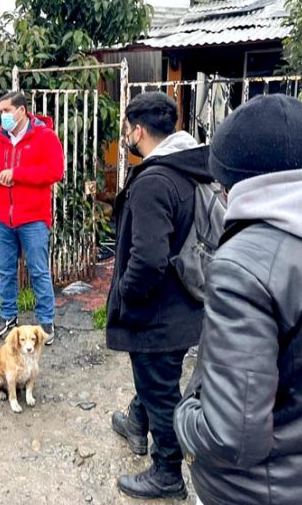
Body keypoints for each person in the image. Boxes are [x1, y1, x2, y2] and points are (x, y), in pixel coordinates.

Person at [174, 95, 302, 505]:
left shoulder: (246, 262)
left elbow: (231, 437)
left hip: (250, 490)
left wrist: (183, 414)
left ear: (234, 182)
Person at [105, 91, 212, 499]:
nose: (127, 137)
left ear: (139, 130)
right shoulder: (184, 166)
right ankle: (136, 422)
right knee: (154, 379)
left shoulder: (155, 180)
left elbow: (147, 259)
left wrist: (128, 295)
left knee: (160, 388)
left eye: (128, 129)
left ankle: (167, 473)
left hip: (159, 310)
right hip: (181, 303)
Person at [0, 91, 64, 345]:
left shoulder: (44, 136)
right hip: (3, 217)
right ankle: (8, 317)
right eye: (1, 111)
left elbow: (55, 170)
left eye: (7, 110)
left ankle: (45, 321)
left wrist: (18, 173)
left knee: (38, 270)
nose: (3, 116)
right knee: (5, 270)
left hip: (34, 218)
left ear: (22, 110)